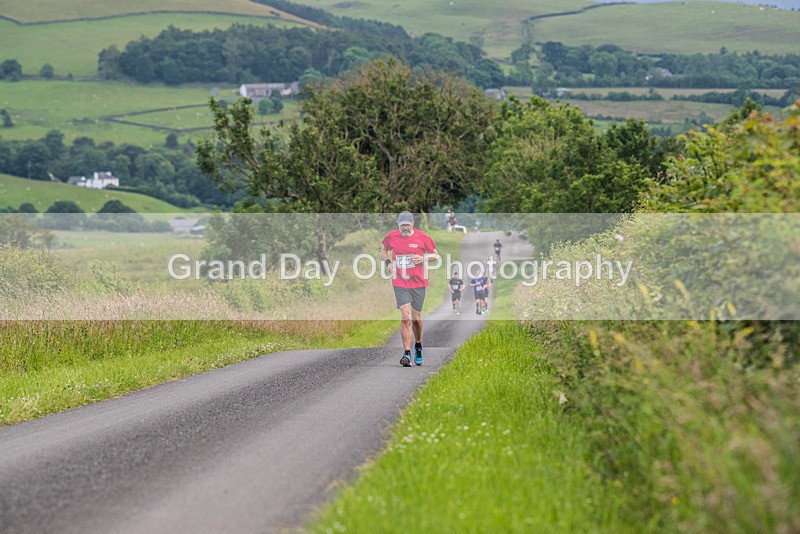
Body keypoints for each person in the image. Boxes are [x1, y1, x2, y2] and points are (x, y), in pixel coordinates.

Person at [381, 211, 439, 367]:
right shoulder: (392, 236)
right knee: (405, 317)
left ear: (412, 224)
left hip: (419, 283)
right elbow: (384, 250)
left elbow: (436, 255)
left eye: (407, 225)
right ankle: (406, 353)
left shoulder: (422, 237)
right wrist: (387, 263)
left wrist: (423, 258)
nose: (404, 228)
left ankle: (418, 345)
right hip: (400, 282)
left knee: (416, 320)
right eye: (402, 225)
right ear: (398, 225)